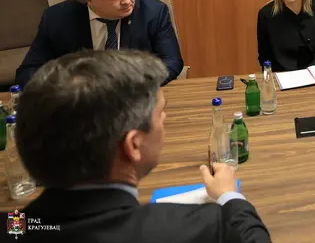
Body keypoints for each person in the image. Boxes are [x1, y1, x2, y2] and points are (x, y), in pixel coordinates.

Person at [16, 50, 271, 243]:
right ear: (134, 145)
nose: (165, 119)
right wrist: (229, 196)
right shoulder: (203, 228)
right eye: (161, 113)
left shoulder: (14, 227)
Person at [16, 0, 183, 86]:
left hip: (135, 95)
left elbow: (171, 62)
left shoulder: (153, 12)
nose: (127, 1)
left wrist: (133, 84)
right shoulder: (57, 18)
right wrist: (69, 87)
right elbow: (28, 71)